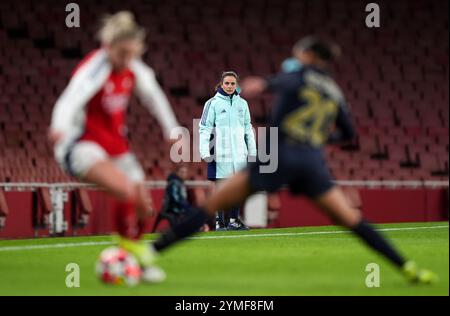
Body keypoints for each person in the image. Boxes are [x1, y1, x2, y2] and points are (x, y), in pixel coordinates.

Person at [149, 36, 437, 284]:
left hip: (282, 156)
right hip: (311, 164)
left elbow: (270, 83)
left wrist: (259, 84)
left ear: (309, 55)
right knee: (351, 220)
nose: (294, 58)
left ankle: (147, 255)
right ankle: (408, 267)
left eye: (299, 53)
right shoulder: (333, 89)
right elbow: (348, 133)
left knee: (211, 205)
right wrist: (316, 141)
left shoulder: (296, 75)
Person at [48, 11, 180, 282]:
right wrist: (58, 126)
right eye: (122, 53)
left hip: (116, 147)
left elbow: (155, 98)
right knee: (126, 191)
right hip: (81, 145)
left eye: (132, 54)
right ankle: (134, 258)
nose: (126, 60)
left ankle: (131, 259)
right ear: (108, 47)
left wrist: (172, 131)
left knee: (144, 206)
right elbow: (69, 99)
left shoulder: (135, 68)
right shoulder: (96, 68)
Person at [199, 71, 257, 231]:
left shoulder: (242, 104)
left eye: (233, 84)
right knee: (220, 187)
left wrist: (252, 151)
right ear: (221, 84)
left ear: (237, 85)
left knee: (237, 187)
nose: (230, 86)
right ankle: (219, 221)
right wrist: (205, 151)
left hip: (239, 153)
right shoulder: (212, 103)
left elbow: (248, 128)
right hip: (220, 152)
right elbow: (204, 128)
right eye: (227, 83)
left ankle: (233, 220)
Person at [153, 165, 209, 232]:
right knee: (192, 212)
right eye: (182, 172)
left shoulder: (180, 183)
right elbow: (175, 199)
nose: (183, 174)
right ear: (177, 173)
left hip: (179, 208)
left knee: (195, 211)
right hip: (172, 209)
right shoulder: (173, 183)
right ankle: (198, 228)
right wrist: (186, 207)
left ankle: (199, 228)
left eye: (185, 172)